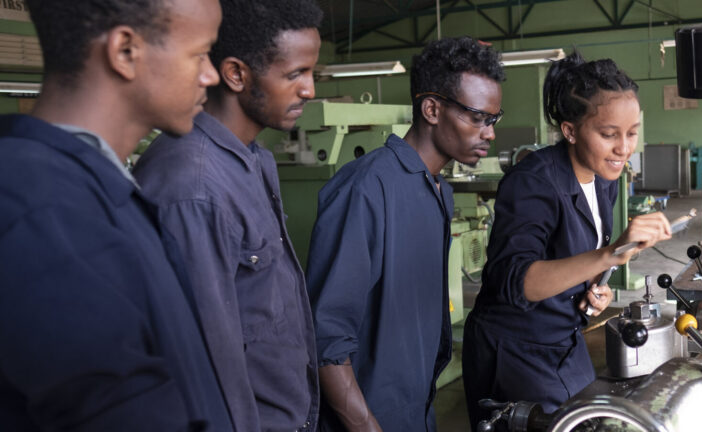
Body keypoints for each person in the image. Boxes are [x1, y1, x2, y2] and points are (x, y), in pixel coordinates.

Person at [0, 0, 233, 431]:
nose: (211, 76)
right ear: (125, 50)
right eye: (200, 54)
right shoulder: (45, 210)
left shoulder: (91, 190)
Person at [130, 1, 323, 430]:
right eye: (295, 74)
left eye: (312, 73)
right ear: (236, 74)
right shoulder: (195, 187)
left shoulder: (253, 160)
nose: (309, 90)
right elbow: (207, 364)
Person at [305, 36, 505, 432]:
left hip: (416, 406)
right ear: (431, 109)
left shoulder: (438, 191)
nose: (489, 133)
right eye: (477, 118)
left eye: (493, 120)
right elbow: (325, 340)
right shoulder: (366, 189)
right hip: (367, 415)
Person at [462, 51, 672, 427]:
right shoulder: (533, 183)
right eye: (609, 134)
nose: (624, 148)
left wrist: (596, 287)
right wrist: (609, 255)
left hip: (564, 337)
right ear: (570, 130)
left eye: (632, 133)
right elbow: (519, 281)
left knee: (590, 417)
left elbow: (576, 260)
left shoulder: (603, 179)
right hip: (515, 348)